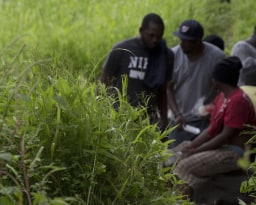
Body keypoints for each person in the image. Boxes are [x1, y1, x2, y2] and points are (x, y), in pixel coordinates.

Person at [170, 56, 256, 200]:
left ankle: (183, 201)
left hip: (235, 152)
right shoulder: (223, 96)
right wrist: (192, 145)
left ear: (218, 79)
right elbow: (211, 129)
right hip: (224, 146)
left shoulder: (238, 100)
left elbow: (225, 135)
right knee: (173, 155)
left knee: (184, 166)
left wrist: (196, 150)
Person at [101, 13, 174, 128]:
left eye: (159, 36)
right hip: (119, 117)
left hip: (147, 121)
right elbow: (104, 83)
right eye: (151, 35)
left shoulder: (166, 55)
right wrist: (101, 115)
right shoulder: (121, 50)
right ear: (141, 31)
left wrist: (164, 121)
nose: (155, 40)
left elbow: (162, 92)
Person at [167, 20, 226, 148]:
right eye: (181, 39)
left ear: (198, 40)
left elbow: (225, 89)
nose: (181, 43)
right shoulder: (173, 55)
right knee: (175, 160)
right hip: (180, 122)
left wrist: (216, 109)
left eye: (186, 40)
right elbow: (168, 89)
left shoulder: (217, 57)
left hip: (207, 121)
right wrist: (177, 114)